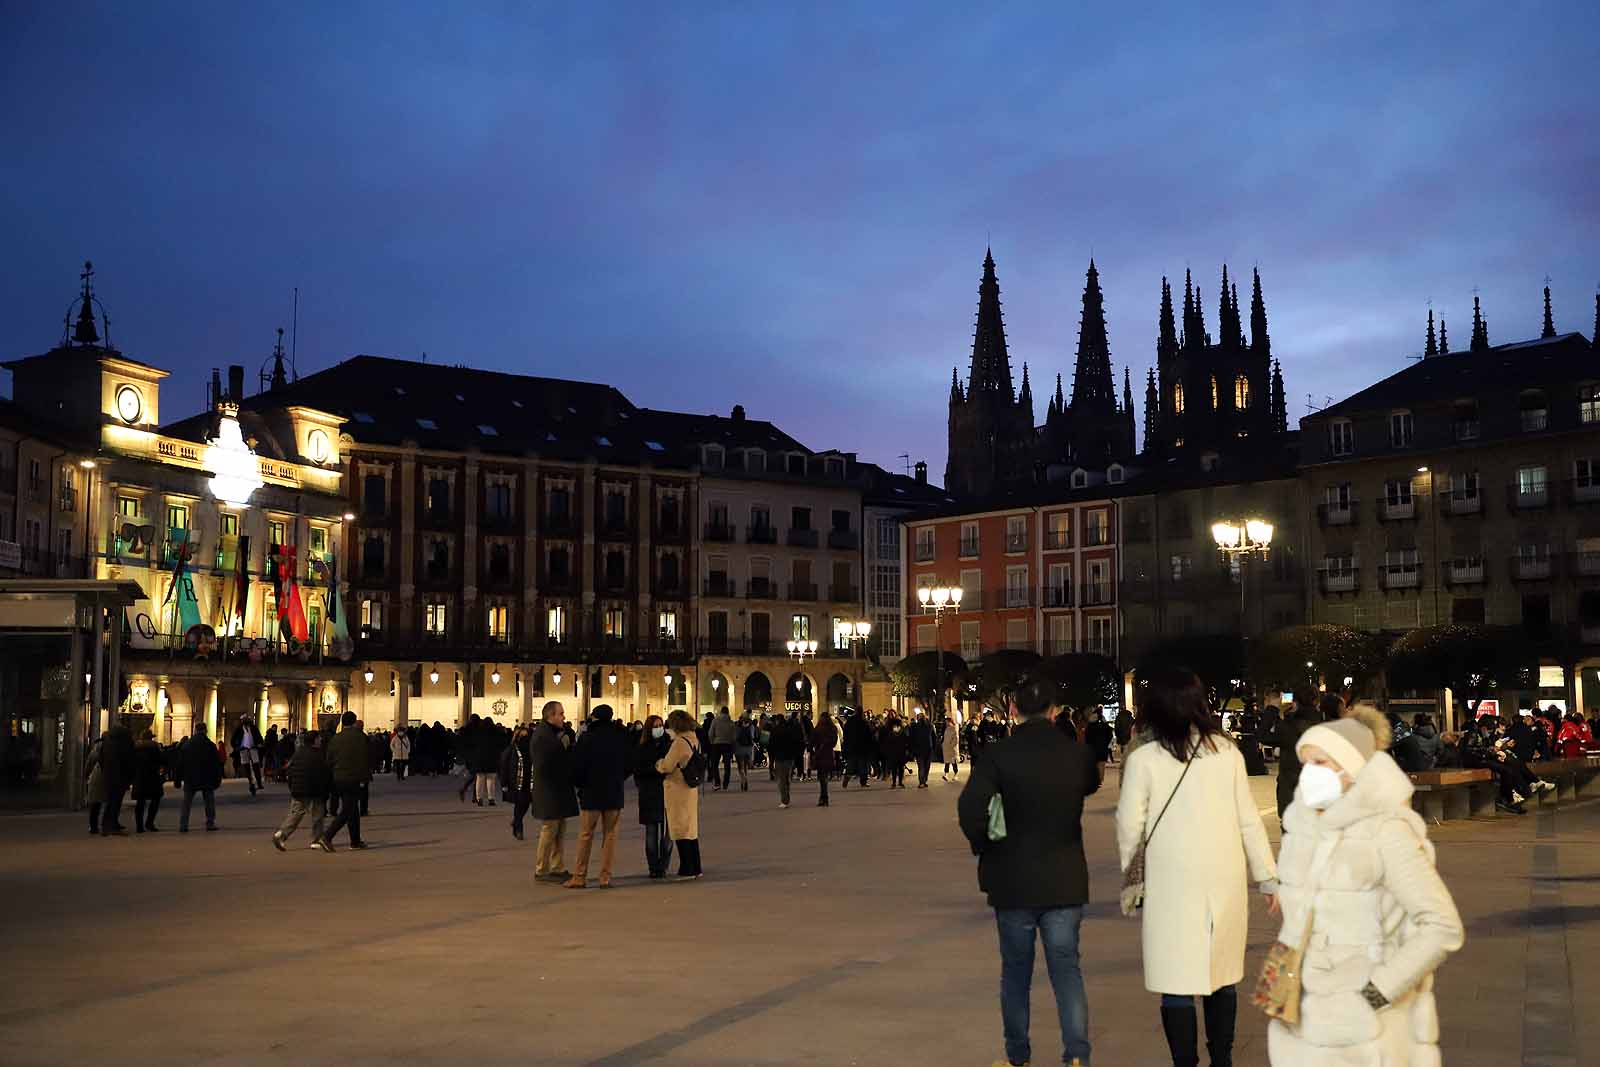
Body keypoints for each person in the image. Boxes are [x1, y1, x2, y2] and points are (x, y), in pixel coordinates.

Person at [1268, 706, 1465, 1065]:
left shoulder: (1386, 832)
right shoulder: (1307, 831)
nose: (1309, 773)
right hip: (1304, 1021)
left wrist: (1376, 993)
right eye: (1306, 762)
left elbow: (1441, 925)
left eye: (1321, 763)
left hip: (1368, 1033)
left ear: (1353, 769)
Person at [1115, 666, 1276, 1067]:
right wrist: (1268, 878)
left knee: (1176, 982)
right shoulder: (1227, 753)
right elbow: (1248, 819)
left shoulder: (1144, 759)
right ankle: (1221, 1060)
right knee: (1221, 978)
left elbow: (1129, 827)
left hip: (1171, 884)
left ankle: (1184, 1062)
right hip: (1223, 881)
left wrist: (1133, 876)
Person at [958, 678, 1100, 1067]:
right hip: (1065, 878)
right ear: (1055, 712)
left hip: (1012, 880)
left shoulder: (997, 756)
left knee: (1016, 975)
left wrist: (985, 844)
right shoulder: (1076, 755)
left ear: (1014, 711)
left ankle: (1017, 1057)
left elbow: (970, 810)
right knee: (1067, 972)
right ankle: (1076, 1057)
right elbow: (1091, 783)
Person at [567, 705, 629, 889]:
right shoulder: (619, 737)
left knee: (586, 834)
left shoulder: (587, 739)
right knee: (610, 836)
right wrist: (618, 779)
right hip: (613, 793)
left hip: (591, 793)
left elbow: (577, 766)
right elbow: (628, 763)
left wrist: (581, 784)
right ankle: (605, 876)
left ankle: (579, 876)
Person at [530, 700, 577, 880]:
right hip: (549, 790)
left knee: (560, 830)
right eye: (561, 714)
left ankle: (557, 866)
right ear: (550, 716)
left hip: (558, 790)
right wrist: (562, 746)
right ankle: (541, 868)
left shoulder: (554, 734)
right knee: (549, 829)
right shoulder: (543, 736)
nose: (563, 717)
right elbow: (544, 763)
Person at [656, 709, 704, 879]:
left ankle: (687, 868)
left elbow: (668, 766)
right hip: (690, 789)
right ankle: (696, 866)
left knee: (680, 828)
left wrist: (658, 764)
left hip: (678, 788)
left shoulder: (679, 743)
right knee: (690, 829)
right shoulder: (694, 739)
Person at [317, 712, 372, 851]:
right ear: (354, 722)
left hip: (338, 778)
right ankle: (327, 837)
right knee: (348, 809)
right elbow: (366, 757)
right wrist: (365, 778)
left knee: (352, 809)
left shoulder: (336, 738)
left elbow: (329, 758)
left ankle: (355, 840)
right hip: (354, 777)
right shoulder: (360, 737)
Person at [273, 731, 330, 851]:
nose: (320, 740)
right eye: (319, 739)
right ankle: (317, 839)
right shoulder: (318, 754)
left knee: (296, 813)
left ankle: (282, 834)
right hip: (314, 790)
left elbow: (290, 769)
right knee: (318, 815)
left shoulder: (298, 752)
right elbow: (322, 774)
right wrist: (326, 790)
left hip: (298, 788)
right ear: (314, 740)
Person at [634, 714, 675, 878]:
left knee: (669, 832)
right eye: (655, 726)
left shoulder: (669, 745)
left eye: (660, 725)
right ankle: (653, 866)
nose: (659, 729)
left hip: (668, 791)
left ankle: (663, 865)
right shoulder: (642, 747)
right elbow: (638, 770)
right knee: (651, 831)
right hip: (649, 793)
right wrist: (657, 769)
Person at [1273, 698, 1317, 821]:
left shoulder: (1287, 728)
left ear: (1295, 704)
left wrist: (1274, 711)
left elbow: (1263, 735)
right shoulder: (1322, 726)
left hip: (1290, 792)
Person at [177, 722, 224, 832]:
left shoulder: (187, 745)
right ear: (205, 730)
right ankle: (210, 823)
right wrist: (217, 778)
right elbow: (216, 764)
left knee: (186, 803)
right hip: (206, 777)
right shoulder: (210, 745)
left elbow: (180, 764)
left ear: (195, 730)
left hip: (190, 777)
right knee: (209, 802)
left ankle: (183, 825)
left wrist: (177, 779)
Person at [131, 728, 166, 832]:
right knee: (155, 801)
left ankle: (139, 826)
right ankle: (149, 823)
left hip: (139, 778)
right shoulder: (155, 747)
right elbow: (162, 760)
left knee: (140, 803)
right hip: (153, 777)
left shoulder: (135, 748)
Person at [768, 708, 801, 808]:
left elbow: (771, 746)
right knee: (787, 778)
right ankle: (787, 795)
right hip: (789, 757)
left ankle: (785, 800)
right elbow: (795, 743)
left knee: (781, 779)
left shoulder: (775, 730)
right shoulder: (790, 730)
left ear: (777, 721)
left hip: (780, 758)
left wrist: (771, 760)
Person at [506, 723, 533, 840]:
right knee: (519, 804)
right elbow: (504, 765)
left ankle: (516, 821)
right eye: (523, 737)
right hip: (516, 781)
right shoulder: (513, 749)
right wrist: (504, 783)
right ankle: (519, 828)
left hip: (529, 779)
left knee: (525, 804)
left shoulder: (532, 748)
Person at [231, 715, 266, 795]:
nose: (246, 721)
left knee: (256, 766)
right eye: (244, 720)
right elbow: (233, 739)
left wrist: (259, 744)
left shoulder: (253, 728)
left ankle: (259, 782)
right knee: (246, 767)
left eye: (247, 720)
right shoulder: (239, 729)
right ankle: (251, 782)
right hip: (243, 749)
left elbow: (259, 737)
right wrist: (236, 747)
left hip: (253, 748)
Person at [812, 709, 839, 806]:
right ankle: (824, 797)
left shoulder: (818, 728)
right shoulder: (832, 728)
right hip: (828, 753)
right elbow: (834, 742)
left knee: (822, 777)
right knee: (824, 777)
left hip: (820, 754)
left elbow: (813, 741)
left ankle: (823, 797)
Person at [707, 705, 738, 791]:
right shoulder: (731, 722)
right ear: (728, 712)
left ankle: (717, 783)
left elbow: (710, 733)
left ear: (721, 712)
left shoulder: (715, 721)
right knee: (727, 766)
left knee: (714, 764)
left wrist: (712, 741)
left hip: (716, 744)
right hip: (727, 745)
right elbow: (734, 737)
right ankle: (725, 784)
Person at [907, 708, 935, 788]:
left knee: (921, 766)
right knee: (926, 766)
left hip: (919, 749)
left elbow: (911, 738)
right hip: (928, 748)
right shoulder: (929, 726)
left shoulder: (915, 727)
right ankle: (924, 780)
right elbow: (934, 737)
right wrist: (933, 747)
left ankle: (922, 782)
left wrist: (911, 749)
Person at [733, 710, 755, 792]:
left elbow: (735, 737)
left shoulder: (737, 726)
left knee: (740, 766)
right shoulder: (751, 726)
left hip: (739, 748)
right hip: (748, 748)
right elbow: (752, 737)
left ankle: (743, 780)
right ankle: (745, 780)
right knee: (745, 766)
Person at [941, 713, 961, 780]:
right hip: (946, 748)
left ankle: (956, 774)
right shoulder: (946, 729)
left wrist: (951, 745)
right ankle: (946, 774)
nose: (946, 723)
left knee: (953, 762)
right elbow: (945, 738)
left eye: (947, 722)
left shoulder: (954, 729)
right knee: (947, 762)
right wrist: (943, 744)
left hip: (952, 749)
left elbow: (956, 739)